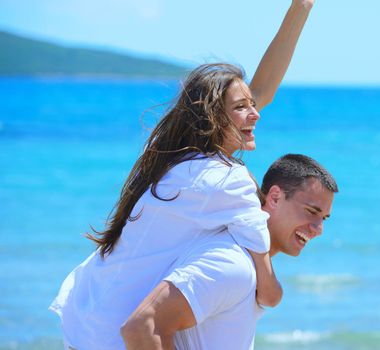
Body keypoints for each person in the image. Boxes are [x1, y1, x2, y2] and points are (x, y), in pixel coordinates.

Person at [50, 1, 315, 349]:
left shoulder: (170, 155)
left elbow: (261, 91)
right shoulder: (224, 180)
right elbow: (267, 290)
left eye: (251, 105)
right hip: (118, 335)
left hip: (87, 312)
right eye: (242, 107)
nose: (256, 113)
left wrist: (301, 7)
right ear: (211, 119)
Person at [121, 154, 338, 349]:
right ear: (274, 197)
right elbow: (142, 327)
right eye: (311, 211)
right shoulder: (232, 263)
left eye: (324, 218)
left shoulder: (248, 264)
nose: (319, 229)